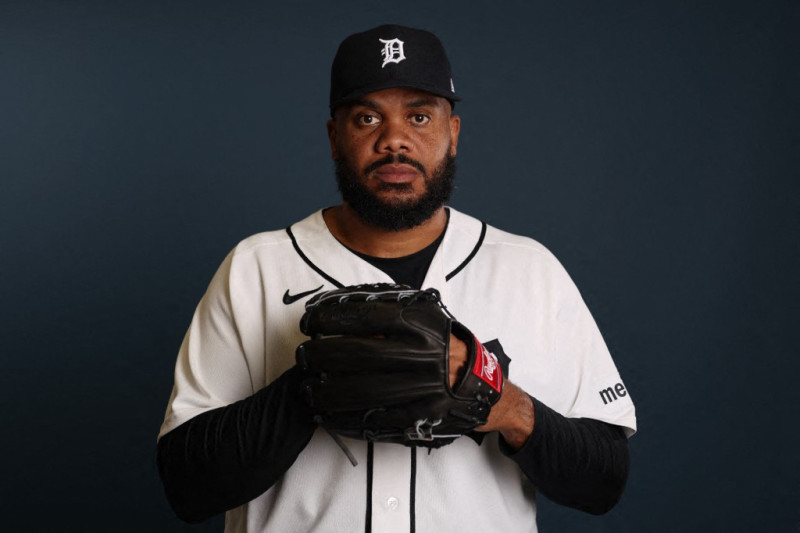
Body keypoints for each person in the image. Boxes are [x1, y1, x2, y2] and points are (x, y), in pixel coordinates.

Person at [157, 24, 637, 532]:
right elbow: (187, 487)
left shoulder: (529, 269)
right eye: (367, 118)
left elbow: (604, 483)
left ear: (452, 133)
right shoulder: (254, 267)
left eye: (419, 116)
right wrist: (315, 383)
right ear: (333, 137)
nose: (394, 141)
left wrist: (503, 402)